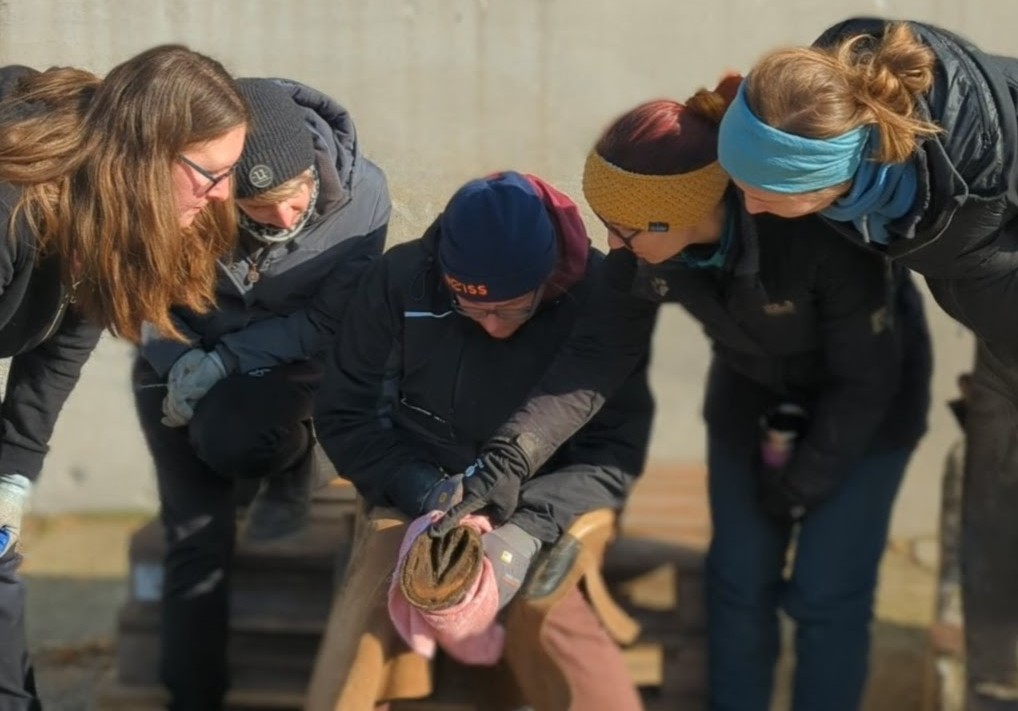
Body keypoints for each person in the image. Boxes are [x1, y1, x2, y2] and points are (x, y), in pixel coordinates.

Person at [436, 84, 932, 711]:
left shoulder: (817, 235)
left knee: (825, 592)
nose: (611, 246)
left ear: (683, 212)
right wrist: (509, 456)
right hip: (752, 395)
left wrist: (806, 479)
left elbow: (867, 378)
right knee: (737, 582)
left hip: (869, 405)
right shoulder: (650, 249)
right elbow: (594, 359)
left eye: (624, 230)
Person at [713, 19, 1018, 709]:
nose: (746, 204)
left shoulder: (976, 210)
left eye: (762, 192)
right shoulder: (833, 106)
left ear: (828, 185)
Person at [309, 171, 654, 710]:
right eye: (472, 309)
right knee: (368, 620)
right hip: (416, 493)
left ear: (551, 278)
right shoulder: (399, 281)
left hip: (546, 503)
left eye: (513, 308)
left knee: (557, 623)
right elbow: (347, 416)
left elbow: (613, 453)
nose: (492, 326)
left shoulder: (601, 299)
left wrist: (525, 531)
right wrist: (424, 490)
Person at [0, 45, 248, 709]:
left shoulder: (102, 210)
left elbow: (57, 351)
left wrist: (11, 483)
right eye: (208, 173)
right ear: (146, 154)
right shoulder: (12, 208)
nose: (224, 193)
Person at [133, 77, 390, 710]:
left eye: (292, 197)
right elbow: (142, 298)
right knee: (195, 537)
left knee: (238, 440)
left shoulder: (365, 198)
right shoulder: (174, 196)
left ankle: (298, 460)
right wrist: (176, 359)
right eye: (256, 208)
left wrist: (226, 361)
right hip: (182, 352)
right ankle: (193, 698)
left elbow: (331, 322)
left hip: (293, 365)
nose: (282, 218)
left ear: (314, 165)